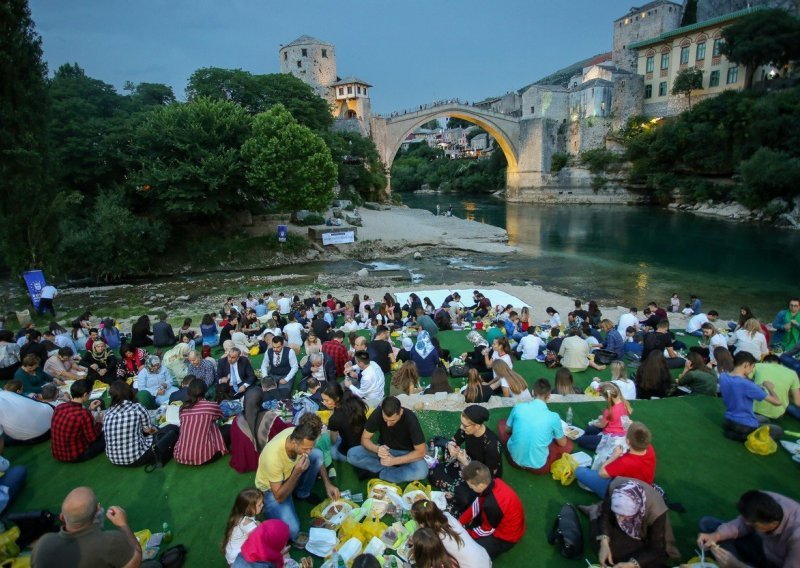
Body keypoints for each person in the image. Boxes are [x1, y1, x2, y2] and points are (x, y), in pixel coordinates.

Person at [254, 414, 338, 539]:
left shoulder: (296, 435)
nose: (308, 452)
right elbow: (279, 497)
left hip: (289, 474)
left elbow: (313, 454)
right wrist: (297, 472)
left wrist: (327, 484)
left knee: (318, 455)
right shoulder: (273, 458)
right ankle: (272, 507)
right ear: (294, 443)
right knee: (292, 531)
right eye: (306, 449)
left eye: (310, 448)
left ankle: (302, 493)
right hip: (271, 490)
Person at [31, 486, 146, 568]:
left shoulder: (42, 544)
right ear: (97, 510)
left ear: (62, 517)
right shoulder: (110, 541)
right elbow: (135, 561)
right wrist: (123, 525)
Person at [590, 478, 681, 568]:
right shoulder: (614, 488)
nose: (620, 520)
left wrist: (632, 564)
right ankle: (594, 513)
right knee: (604, 549)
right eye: (617, 514)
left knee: (653, 562)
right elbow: (606, 515)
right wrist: (604, 542)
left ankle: (594, 513)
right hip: (627, 530)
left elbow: (657, 547)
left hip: (647, 537)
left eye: (624, 516)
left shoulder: (656, 511)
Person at [697, 490, 800, 568]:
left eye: (754, 524)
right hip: (762, 546)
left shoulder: (797, 537)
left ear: (774, 523)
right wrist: (716, 535)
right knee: (707, 523)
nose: (747, 524)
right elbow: (742, 523)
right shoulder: (764, 500)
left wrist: (737, 565)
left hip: (780, 564)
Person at [430, 405, 503, 515]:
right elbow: (455, 440)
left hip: (481, 476)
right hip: (466, 463)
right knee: (434, 473)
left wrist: (466, 463)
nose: (462, 427)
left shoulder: (492, 445)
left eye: (465, 425)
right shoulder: (466, 430)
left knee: (464, 499)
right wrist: (451, 446)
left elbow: (488, 478)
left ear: (477, 426)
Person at [497, 379, 572, 473]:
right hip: (539, 466)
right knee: (568, 444)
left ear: (532, 392)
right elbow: (562, 443)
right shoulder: (554, 417)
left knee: (502, 424)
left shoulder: (519, 407)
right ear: (549, 396)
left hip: (513, 459)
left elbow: (507, 430)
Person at [347, 396, 428, 482]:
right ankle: (393, 469)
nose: (388, 424)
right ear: (382, 410)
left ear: (400, 412)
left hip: (406, 453)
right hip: (385, 450)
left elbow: (421, 452)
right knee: (351, 455)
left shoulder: (410, 419)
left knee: (422, 471)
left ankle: (381, 474)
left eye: (392, 420)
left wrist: (395, 461)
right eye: (385, 420)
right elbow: (364, 439)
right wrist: (377, 449)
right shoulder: (378, 413)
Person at [103, 381, 179, 467]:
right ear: (129, 392)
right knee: (172, 428)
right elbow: (149, 430)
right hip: (137, 457)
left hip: (113, 459)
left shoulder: (107, 413)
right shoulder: (137, 407)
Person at [458, 461, 524, 560]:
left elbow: (487, 530)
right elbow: (476, 505)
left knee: (473, 551)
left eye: (470, 485)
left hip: (506, 537)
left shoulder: (492, 504)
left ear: (480, 486)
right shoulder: (494, 482)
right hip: (503, 520)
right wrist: (459, 523)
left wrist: (467, 533)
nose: (469, 487)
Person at [576, 421, 656, 498]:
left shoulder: (626, 462)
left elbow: (602, 473)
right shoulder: (649, 448)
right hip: (643, 489)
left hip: (624, 495)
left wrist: (614, 456)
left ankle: (601, 491)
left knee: (579, 471)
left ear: (628, 441)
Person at [719, 351, 783, 442]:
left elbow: (739, 386)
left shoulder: (723, 376)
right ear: (746, 364)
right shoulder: (747, 385)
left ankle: (735, 433)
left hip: (728, 419)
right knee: (778, 430)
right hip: (744, 425)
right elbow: (777, 402)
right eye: (752, 367)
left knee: (764, 419)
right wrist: (770, 388)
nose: (752, 370)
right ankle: (746, 436)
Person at [410, 500, 491, 568]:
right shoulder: (447, 516)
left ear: (422, 523)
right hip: (484, 556)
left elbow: (429, 555)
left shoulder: (436, 538)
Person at [174, 379, 228, 465]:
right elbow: (223, 418)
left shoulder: (183, 408)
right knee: (227, 428)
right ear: (205, 391)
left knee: (207, 425)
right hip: (204, 457)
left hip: (180, 456)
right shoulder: (211, 406)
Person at [50, 379, 105, 463]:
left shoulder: (60, 407)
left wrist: (89, 410)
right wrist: (100, 423)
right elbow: (93, 438)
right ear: (85, 394)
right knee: (107, 435)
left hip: (57, 453)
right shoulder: (83, 414)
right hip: (77, 455)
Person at [321, 381, 368, 465]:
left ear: (336, 399)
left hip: (350, 451)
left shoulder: (334, 418)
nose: (324, 403)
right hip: (365, 441)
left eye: (326, 400)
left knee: (326, 447)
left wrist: (325, 432)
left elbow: (333, 440)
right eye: (323, 400)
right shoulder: (353, 400)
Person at [576, 382, 632, 451]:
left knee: (580, 440)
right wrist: (602, 418)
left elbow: (602, 425)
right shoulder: (624, 403)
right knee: (589, 429)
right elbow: (616, 419)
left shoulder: (609, 411)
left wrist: (593, 423)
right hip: (621, 433)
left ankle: (603, 447)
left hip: (611, 437)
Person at [222, 487, 263, 567]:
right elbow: (259, 541)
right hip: (238, 560)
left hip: (232, 556)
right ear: (249, 509)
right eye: (259, 505)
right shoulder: (248, 524)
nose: (263, 505)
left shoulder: (240, 516)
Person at [754, 354, 800, 421]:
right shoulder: (793, 373)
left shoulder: (758, 366)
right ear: (780, 364)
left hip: (754, 409)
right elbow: (798, 402)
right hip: (777, 414)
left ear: (764, 362)